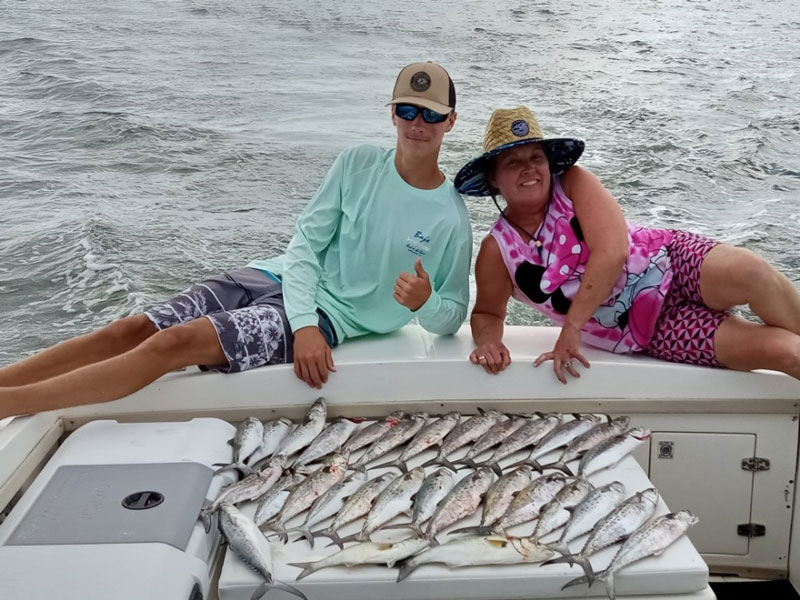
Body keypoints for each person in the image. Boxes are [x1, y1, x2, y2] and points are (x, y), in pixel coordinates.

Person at [0, 61, 472, 419]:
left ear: (450, 121)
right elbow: (306, 244)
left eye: (430, 115)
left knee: (175, 343)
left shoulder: (450, 216)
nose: (417, 124)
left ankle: (12, 405)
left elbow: (450, 319)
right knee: (132, 330)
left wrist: (424, 301)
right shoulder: (356, 163)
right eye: (407, 110)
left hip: (336, 318)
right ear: (392, 114)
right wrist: (302, 322)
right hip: (275, 275)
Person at [456, 105, 800, 384]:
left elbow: (613, 250)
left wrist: (571, 327)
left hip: (671, 260)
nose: (528, 168)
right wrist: (489, 342)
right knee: (787, 353)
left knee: (753, 272)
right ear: (494, 180)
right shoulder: (497, 250)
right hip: (650, 330)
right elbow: (487, 312)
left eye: (536, 157)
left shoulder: (573, 181)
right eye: (513, 162)